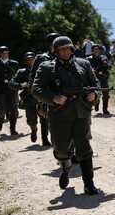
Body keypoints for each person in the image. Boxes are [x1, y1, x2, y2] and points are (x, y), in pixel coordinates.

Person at [31, 36, 101, 195]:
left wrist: (94, 95)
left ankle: (89, 184)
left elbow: (95, 84)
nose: (65, 51)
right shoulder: (47, 67)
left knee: (84, 148)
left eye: (67, 48)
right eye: (61, 49)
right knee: (61, 150)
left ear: (72, 49)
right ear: (55, 52)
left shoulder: (83, 64)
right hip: (58, 115)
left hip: (81, 113)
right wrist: (53, 98)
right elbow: (36, 89)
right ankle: (66, 169)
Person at [9, 52, 50, 145]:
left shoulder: (43, 70)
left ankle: (45, 139)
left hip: (42, 100)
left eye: (32, 59)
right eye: (28, 60)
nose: (31, 61)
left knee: (44, 121)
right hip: (29, 101)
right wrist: (21, 85)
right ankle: (34, 129)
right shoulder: (22, 72)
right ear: (25, 61)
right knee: (31, 120)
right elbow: (11, 83)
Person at [87, 44, 111, 114]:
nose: (96, 51)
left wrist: (106, 64)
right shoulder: (89, 59)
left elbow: (110, 67)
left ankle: (105, 109)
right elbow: (86, 68)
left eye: (98, 49)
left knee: (106, 93)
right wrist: (91, 70)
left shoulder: (104, 58)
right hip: (93, 78)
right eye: (95, 49)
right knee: (93, 93)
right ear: (92, 51)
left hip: (103, 77)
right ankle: (96, 103)